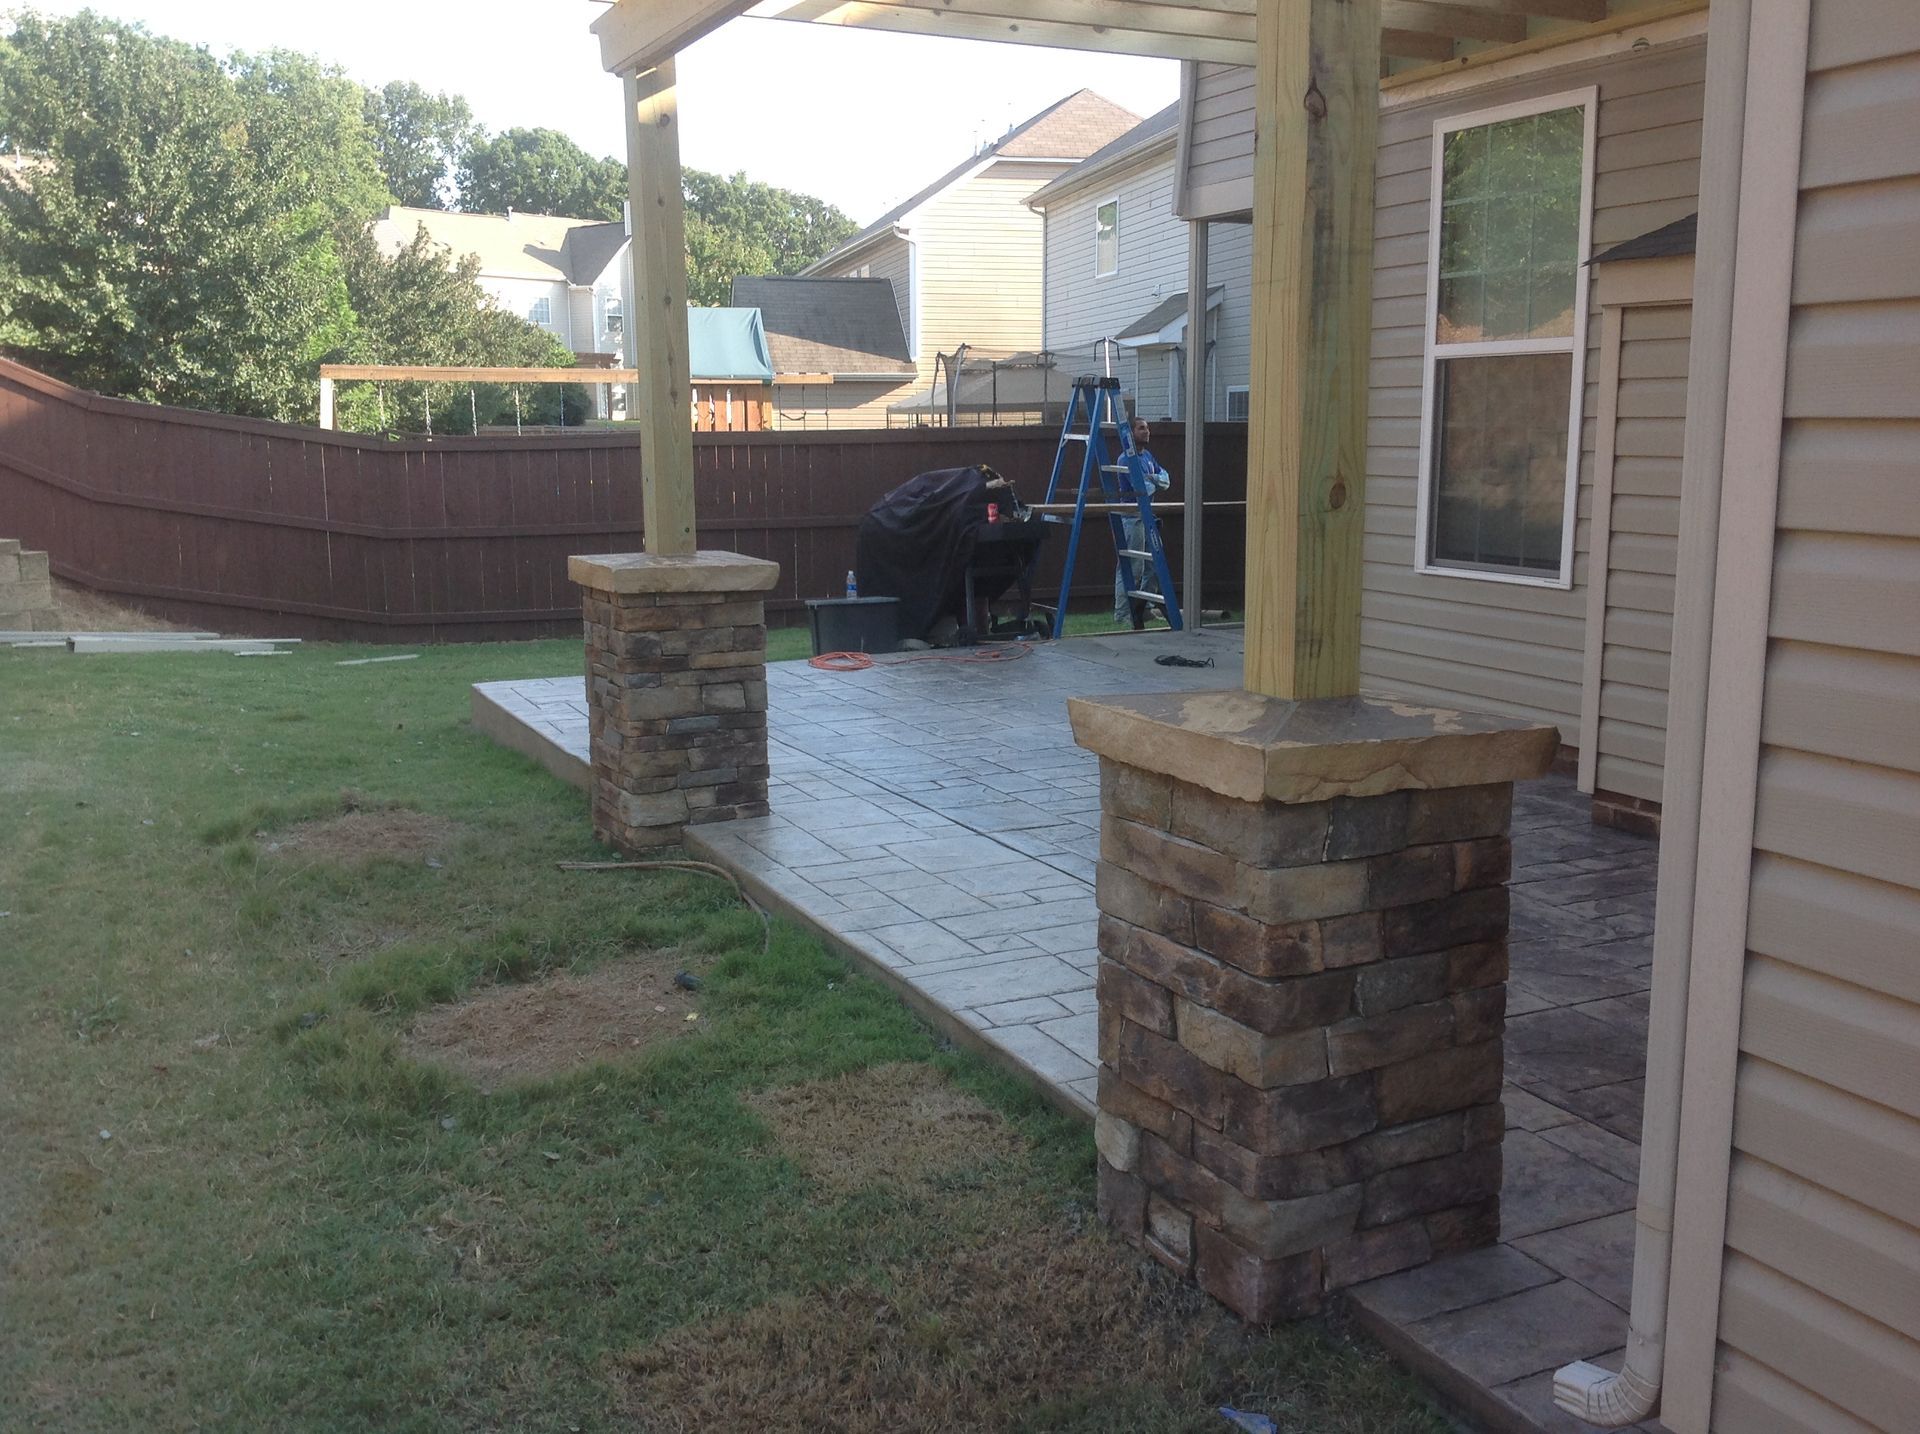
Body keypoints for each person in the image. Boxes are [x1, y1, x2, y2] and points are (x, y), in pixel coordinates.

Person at [1113, 415, 1171, 627]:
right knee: (1132, 568)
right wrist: (1155, 481)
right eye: (1141, 428)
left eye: (1147, 428)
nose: (1146, 431)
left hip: (1147, 517)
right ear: (1131, 433)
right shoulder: (1125, 460)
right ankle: (1122, 614)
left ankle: (1145, 608)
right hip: (1132, 519)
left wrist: (1153, 480)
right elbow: (1143, 490)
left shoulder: (1147, 457)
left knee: (1154, 566)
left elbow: (1166, 479)